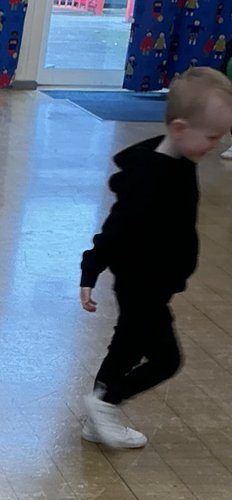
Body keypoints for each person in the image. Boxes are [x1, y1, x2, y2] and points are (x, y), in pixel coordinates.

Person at [79, 67, 232, 449]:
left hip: (153, 283)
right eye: (211, 136)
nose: (216, 144)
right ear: (180, 129)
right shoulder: (153, 178)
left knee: (125, 347)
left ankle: (94, 417)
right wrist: (91, 268)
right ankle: (105, 404)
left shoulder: (178, 163)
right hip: (142, 284)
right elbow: (116, 228)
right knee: (166, 360)